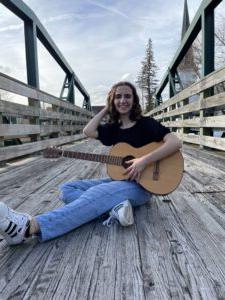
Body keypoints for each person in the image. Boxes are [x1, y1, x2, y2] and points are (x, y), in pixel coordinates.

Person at [0, 81, 181, 245]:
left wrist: (143, 160)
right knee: (67, 189)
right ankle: (115, 210)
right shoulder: (113, 129)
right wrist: (106, 108)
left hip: (144, 186)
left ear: (134, 100)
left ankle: (28, 227)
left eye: (127, 96)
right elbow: (88, 131)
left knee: (98, 192)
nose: (123, 100)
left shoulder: (146, 123)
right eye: (118, 97)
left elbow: (175, 142)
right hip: (121, 182)